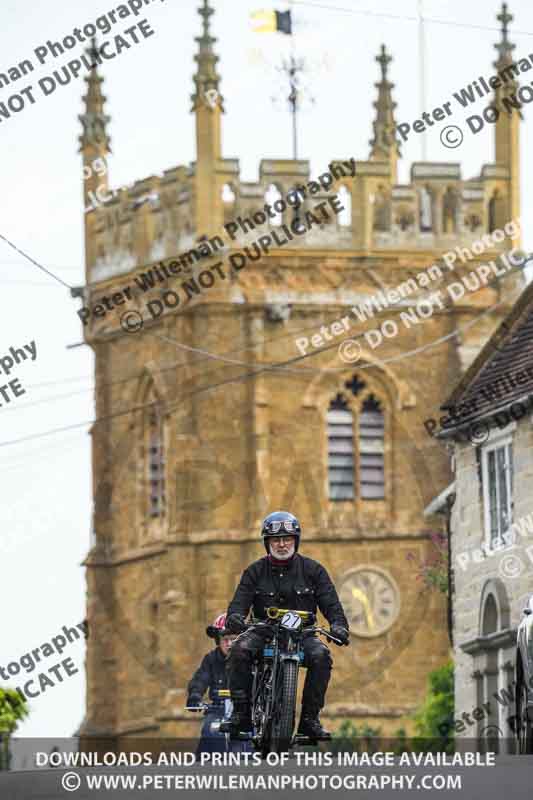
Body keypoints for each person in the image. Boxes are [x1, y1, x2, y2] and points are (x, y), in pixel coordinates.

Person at [225, 511, 350, 740]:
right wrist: (235, 617)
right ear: (267, 543)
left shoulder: (314, 571)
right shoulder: (254, 571)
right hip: (263, 631)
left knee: (322, 656)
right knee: (238, 650)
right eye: (276, 540)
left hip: (302, 634)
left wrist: (339, 626)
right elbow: (238, 603)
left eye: (287, 539)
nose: (282, 544)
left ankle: (310, 721)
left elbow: (331, 603)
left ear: (296, 540)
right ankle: (241, 716)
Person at [186, 613, 246, 756]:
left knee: (257, 739)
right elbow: (201, 678)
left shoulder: (252, 661)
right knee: (209, 731)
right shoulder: (211, 659)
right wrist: (195, 695)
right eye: (225, 640)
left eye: (234, 639)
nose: (230, 644)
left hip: (246, 711)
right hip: (217, 709)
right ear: (217, 641)